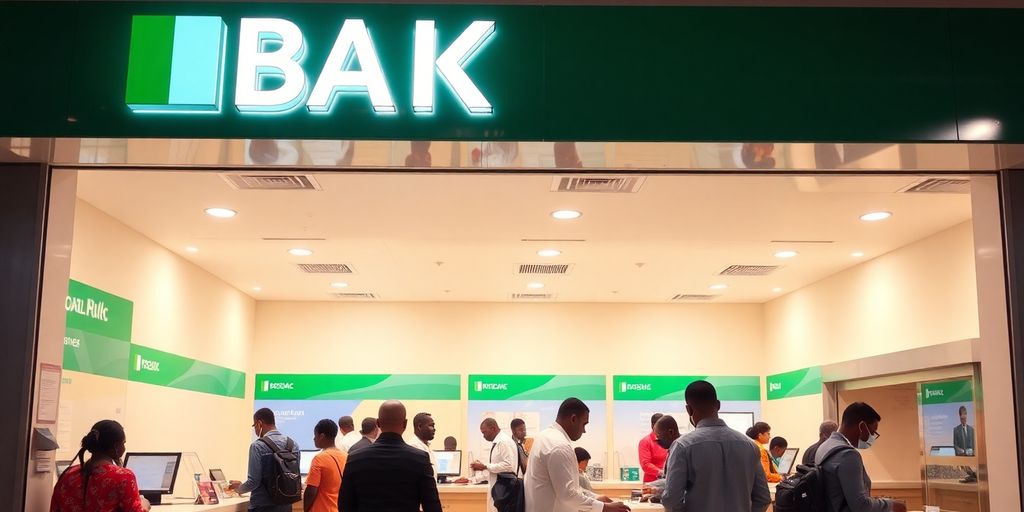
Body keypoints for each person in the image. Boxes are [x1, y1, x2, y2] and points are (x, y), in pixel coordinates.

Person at [662, 380, 771, 512]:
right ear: (718, 405)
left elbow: (671, 501)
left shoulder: (682, 446)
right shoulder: (749, 446)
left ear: (688, 409)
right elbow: (763, 498)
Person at [524, 397, 630, 512]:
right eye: (584, 424)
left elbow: (570, 488)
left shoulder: (545, 436)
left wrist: (596, 498)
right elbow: (568, 495)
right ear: (573, 419)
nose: (584, 431)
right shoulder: (559, 446)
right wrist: (604, 508)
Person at [339, 400, 442, 512]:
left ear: (378, 423)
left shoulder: (355, 458)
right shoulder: (420, 459)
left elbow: (345, 505)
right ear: (405, 424)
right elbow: (432, 506)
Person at [816, 402, 907, 512]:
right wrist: (891, 505)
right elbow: (861, 506)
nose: (872, 438)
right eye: (872, 432)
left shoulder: (825, 447)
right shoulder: (848, 455)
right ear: (862, 426)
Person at [50, 420, 151, 512]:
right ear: (116, 446)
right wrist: (144, 504)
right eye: (123, 443)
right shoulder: (123, 477)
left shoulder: (68, 474)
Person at [228, 408, 302, 512]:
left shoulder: (258, 446)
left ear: (259, 423)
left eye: (254, 426)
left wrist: (238, 489)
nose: (255, 430)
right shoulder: (294, 445)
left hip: (263, 506)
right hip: (286, 505)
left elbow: (254, 481)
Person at [469, 418, 518, 512]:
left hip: (504, 492)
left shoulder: (504, 442)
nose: (483, 436)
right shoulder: (497, 442)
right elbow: (494, 471)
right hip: (498, 491)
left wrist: (485, 466)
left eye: (484, 432)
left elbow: (509, 466)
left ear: (493, 428)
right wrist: (474, 478)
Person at [304, 419, 347, 512]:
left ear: (322, 436)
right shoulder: (346, 456)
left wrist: (305, 509)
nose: (314, 438)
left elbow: (311, 490)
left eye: (315, 435)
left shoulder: (320, 458)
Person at [642, 415, 681, 502]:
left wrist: (655, 489)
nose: (657, 440)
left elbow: (677, 483)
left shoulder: (681, 449)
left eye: (659, 436)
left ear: (670, 432)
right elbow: (669, 480)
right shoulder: (673, 448)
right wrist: (652, 489)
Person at [638, 413, 668, 483]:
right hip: (651, 483)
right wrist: (661, 472)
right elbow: (645, 464)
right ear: (653, 425)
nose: (663, 428)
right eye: (661, 425)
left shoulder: (668, 440)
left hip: (667, 481)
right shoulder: (645, 442)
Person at [408, 412, 438, 478]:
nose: (434, 429)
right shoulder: (414, 447)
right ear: (419, 427)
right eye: (431, 426)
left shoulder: (427, 446)